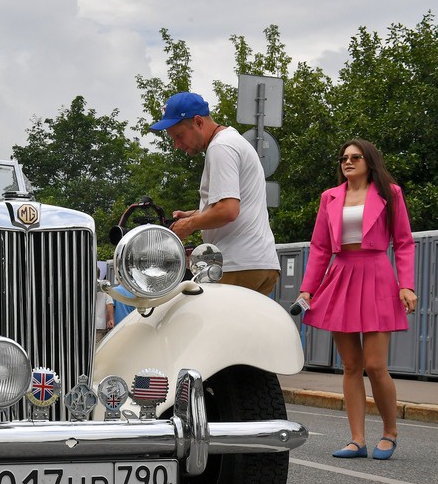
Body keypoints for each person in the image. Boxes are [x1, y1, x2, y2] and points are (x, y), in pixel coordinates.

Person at [297, 139, 416, 461]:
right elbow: (320, 247)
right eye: (343, 158)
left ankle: (390, 432)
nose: (347, 162)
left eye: (355, 157)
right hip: (341, 276)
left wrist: (406, 285)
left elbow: (403, 243)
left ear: (368, 161)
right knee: (351, 366)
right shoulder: (330, 198)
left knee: (376, 365)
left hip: (378, 276)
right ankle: (357, 439)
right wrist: (308, 289)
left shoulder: (390, 194)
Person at [150, 92, 280, 296]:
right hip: (260, 263)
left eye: (179, 135)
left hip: (236, 264)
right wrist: (195, 214)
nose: (176, 144)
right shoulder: (234, 140)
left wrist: (189, 226)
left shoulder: (220, 147)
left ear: (198, 122)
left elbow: (228, 210)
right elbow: (238, 202)